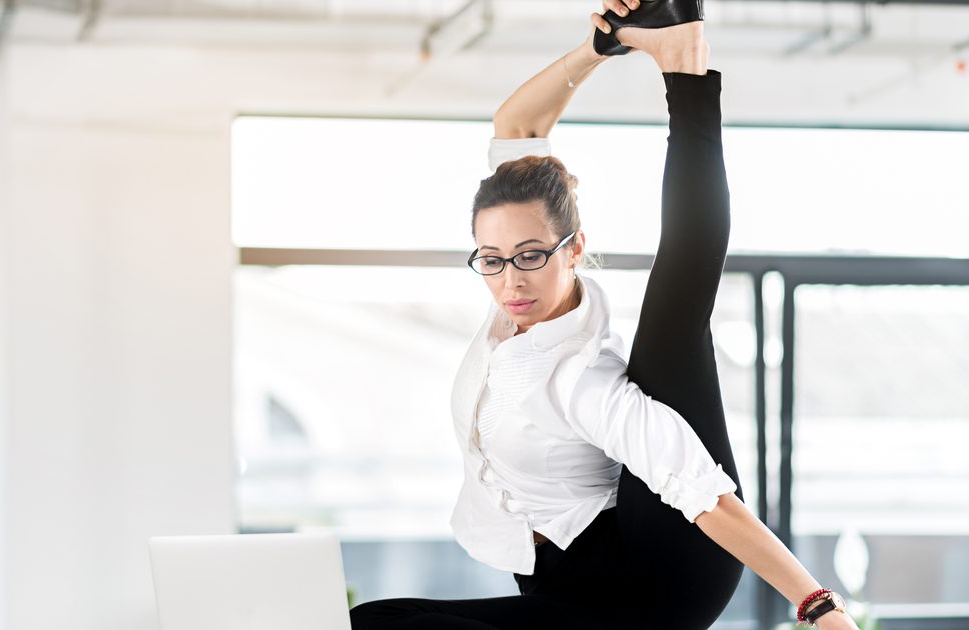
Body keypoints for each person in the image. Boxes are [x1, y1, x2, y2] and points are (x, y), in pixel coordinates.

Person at [348, 2, 861, 629]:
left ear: (575, 249)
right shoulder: (512, 320)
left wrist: (819, 606)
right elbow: (516, 121)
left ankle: (685, 61)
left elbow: (704, 492)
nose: (512, 279)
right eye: (491, 259)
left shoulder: (581, 380)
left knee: (672, 325)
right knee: (372, 621)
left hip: (657, 580)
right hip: (562, 581)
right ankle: (671, 43)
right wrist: (600, 45)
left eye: (532, 256)